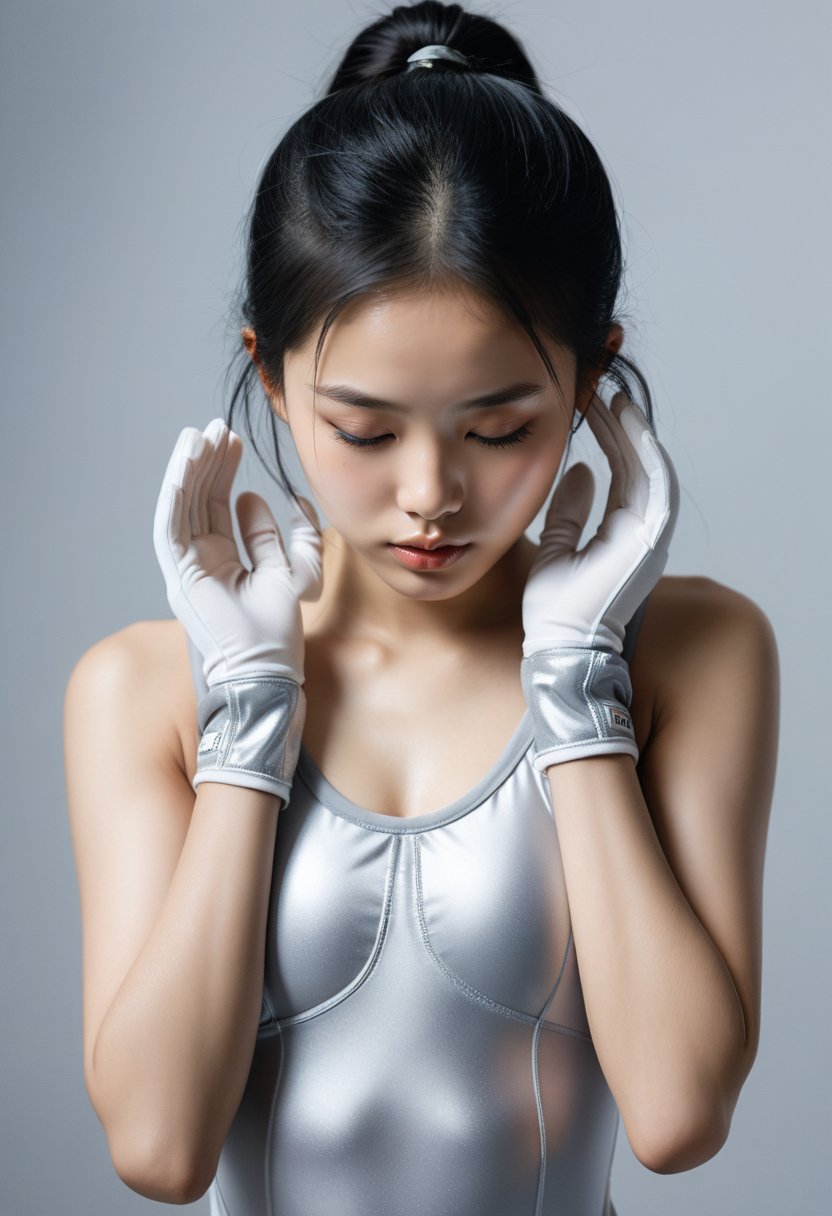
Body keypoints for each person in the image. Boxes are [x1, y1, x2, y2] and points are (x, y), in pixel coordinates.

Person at [63, 3, 780, 1213]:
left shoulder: (692, 652)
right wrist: (250, 710)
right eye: (363, 429)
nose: (429, 497)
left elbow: (675, 1114)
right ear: (272, 379)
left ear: (595, 384)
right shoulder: (143, 689)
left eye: (499, 429)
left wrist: (572, 670)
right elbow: (158, 1147)